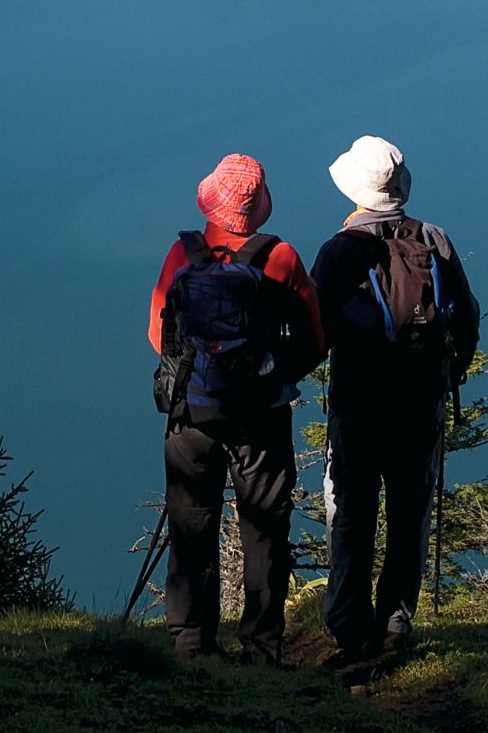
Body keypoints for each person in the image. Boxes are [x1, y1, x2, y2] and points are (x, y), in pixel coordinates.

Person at [146, 152, 325, 665]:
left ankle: (189, 643)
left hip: (192, 416)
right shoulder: (282, 257)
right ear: (261, 205)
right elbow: (315, 341)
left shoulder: (182, 256)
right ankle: (262, 647)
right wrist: (272, 374)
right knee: (265, 528)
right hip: (261, 415)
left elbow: (158, 334)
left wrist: (202, 373)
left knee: (190, 523)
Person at [312, 135, 479, 671]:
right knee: (410, 512)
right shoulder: (432, 239)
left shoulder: (339, 250)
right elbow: (468, 317)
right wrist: (449, 374)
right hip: (419, 400)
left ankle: (347, 627)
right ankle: (395, 623)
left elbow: (315, 331)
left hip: (359, 402)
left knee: (352, 512)